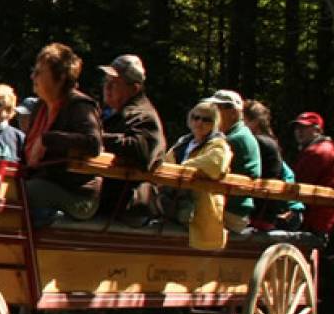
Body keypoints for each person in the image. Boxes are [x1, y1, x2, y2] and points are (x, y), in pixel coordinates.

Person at [21, 43, 103, 226]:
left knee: (21, 193)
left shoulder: (79, 105)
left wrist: (47, 139)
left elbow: (93, 144)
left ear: (61, 77)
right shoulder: (40, 107)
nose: (33, 76)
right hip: (42, 182)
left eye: (40, 72)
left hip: (76, 195)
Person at [97, 54, 165, 226]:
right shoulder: (117, 112)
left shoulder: (142, 115)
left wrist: (94, 139)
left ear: (134, 88)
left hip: (127, 207)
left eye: (114, 83)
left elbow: (140, 149)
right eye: (106, 81)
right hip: (110, 202)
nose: (107, 87)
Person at [163, 100, 233, 250]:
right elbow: (166, 164)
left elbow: (214, 165)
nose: (200, 122)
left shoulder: (219, 144)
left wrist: (181, 168)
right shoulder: (183, 143)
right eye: (196, 117)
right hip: (175, 202)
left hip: (202, 210)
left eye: (206, 119)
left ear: (214, 123)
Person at [242, 100, 304, 231]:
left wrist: (294, 206)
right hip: (267, 213)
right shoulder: (269, 142)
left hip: (260, 215)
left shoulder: (258, 143)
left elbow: (285, 174)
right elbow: (287, 173)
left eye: (242, 121)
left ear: (254, 122)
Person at [207, 90, 260, 231]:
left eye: (218, 108)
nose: (212, 112)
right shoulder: (235, 134)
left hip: (231, 212)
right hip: (232, 209)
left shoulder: (235, 139)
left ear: (233, 112)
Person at [291, 111, 334, 235]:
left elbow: (299, 182)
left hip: (315, 217)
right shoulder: (322, 149)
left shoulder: (318, 152)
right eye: (297, 128)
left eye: (304, 128)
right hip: (322, 217)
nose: (299, 131)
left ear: (317, 130)